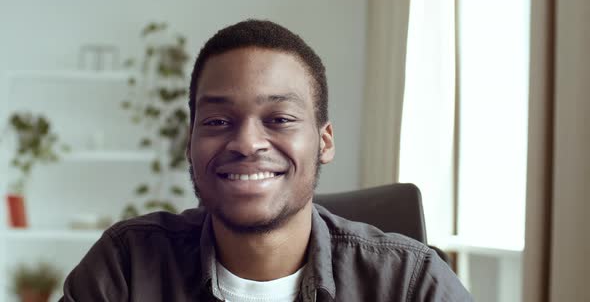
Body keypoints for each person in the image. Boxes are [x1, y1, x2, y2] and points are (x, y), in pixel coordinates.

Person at [59, 19, 472, 302]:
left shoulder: (408, 282)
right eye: (218, 120)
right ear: (190, 142)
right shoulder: (127, 267)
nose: (246, 142)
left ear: (324, 141)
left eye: (279, 119)